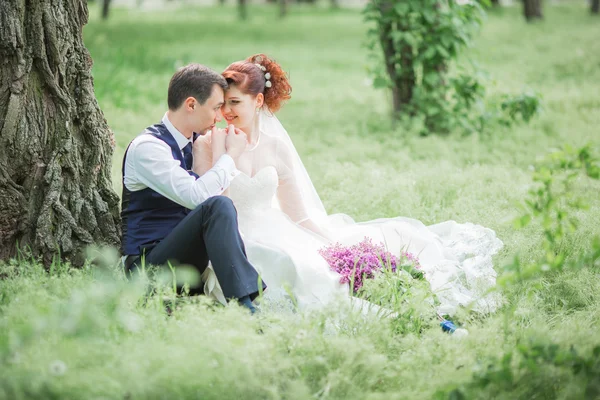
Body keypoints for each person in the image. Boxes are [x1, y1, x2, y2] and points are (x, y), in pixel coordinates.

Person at [194, 55, 503, 315]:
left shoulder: (276, 148)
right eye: (223, 104)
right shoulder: (209, 143)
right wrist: (225, 154)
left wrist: (333, 244)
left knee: (318, 267)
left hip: (276, 229)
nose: (226, 112)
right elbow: (209, 205)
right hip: (232, 238)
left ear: (258, 100)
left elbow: (298, 214)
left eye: (235, 102)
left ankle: (395, 304)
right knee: (286, 267)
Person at [121, 64, 265, 313]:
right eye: (216, 107)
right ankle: (245, 307)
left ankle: (243, 301)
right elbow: (197, 197)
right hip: (148, 267)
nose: (220, 116)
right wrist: (230, 156)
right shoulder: (149, 148)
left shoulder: (198, 144)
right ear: (191, 105)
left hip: (187, 261)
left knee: (221, 206)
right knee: (216, 205)